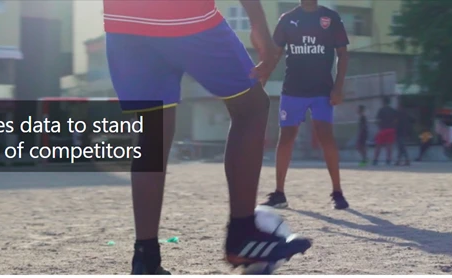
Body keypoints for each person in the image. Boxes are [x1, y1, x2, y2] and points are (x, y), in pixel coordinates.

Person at [103, 0, 312, 274]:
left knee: (152, 132)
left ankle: (146, 259)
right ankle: (242, 235)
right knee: (251, 108)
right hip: (183, 14)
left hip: (123, 21)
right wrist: (258, 24)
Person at [259, 0, 350, 210]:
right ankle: (279, 193)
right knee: (286, 139)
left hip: (322, 90)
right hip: (293, 90)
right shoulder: (287, 19)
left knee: (326, 136)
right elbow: (275, 53)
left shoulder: (331, 18)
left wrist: (338, 87)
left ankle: (337, 192)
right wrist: (262, 77)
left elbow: (343, 54)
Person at [372, 97, 397, 165]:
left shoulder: (381, 110)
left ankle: (375, 160)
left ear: (383, 102)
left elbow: (377, 120)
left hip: (383, 129)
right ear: (389, 102)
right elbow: (396, 120)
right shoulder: (393, 110)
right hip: (391, 129)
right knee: (389, 146)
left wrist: (379, 126)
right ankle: (388, 159)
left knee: (378, 145)